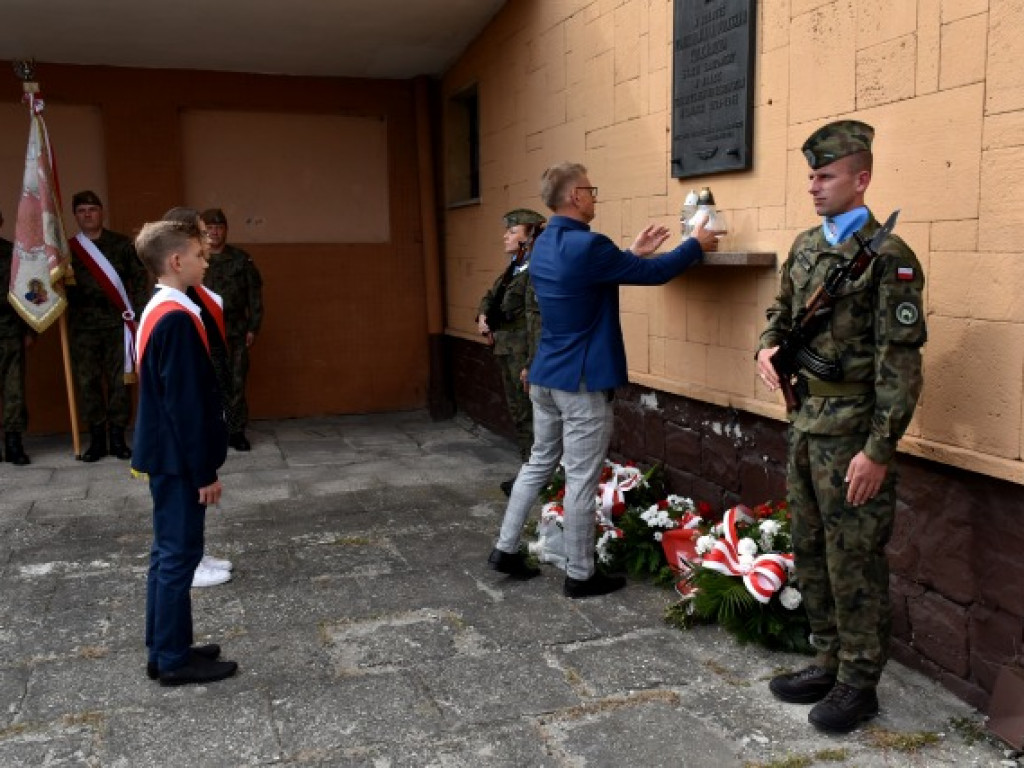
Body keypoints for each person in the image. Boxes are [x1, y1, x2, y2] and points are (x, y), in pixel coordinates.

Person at [755, 120, 926, 734]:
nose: (814, 186)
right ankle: (826, 659)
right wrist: (766, 347)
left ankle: (860, 683)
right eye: (810, 175)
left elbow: (900, 364)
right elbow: (779, 312)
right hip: (805, 424)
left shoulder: (890, 260)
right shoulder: (806, 246)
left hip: (854, 434)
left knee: (855, 558)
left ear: (862, 178)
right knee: (811, 549)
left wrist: (879, 450)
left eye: (825, 175)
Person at [487, 162, 720, 598]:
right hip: (581, 380)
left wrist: (630, 252)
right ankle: (580, 574)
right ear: (575, 196)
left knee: (538, 462)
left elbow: (593, 277)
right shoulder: (590, 245)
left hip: (545, 375)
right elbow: (654, 274)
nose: (595, 197)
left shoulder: (542, 244)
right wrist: (695, 243)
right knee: (580, 477)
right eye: (590, 190)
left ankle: (505, 548)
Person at [133, 219, 237, 686]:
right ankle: (173, 660)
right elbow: (186, 405)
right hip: (179, 461)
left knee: (166, 555)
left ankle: (164, 646)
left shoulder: (160, 306)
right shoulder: (176, 317)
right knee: (179, 556)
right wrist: (204, 472)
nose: (206, 259)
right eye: (198, 253)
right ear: (177, 261)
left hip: (164, 455)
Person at [162, 207, 235, 589]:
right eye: (201, 236)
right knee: (191, 483)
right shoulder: (178, 295)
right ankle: (190, 558)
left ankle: (196, 551)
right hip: (192, 400)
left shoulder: (194, 287)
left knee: (198, 484)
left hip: (209, 390)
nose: (208, 242)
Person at [67, 190, 150, 462]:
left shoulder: (122, 244)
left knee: (119, 382)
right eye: (81, 211)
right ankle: (97, 440)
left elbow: (138, 279)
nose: (88, 214)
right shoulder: (68, 249)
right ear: (75, 216)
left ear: (101, 212)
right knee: (87, 382)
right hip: (82, 326)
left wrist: (137, 313)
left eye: (92, 209)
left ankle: (117, 438)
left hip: (117, 324)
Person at [476, 209, 545, 496]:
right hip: (507, 352)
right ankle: (530, 472)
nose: (506, 236)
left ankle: (535, 479)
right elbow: (491, 297)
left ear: (529, 238)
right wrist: (482, 316)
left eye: (513, 231)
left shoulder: (534, 270)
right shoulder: (514, 269)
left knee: (531, 416)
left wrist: (532, 363)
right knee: (520, 414)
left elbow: (535, 320)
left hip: (522, 354)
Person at [199, 209, 263, 452]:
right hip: (204, 332)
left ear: (226, 230)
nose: (215, 232)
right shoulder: (196, 258)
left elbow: (254, 297)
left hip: (235, 332)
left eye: (219, 227)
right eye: (209, 228)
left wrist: (253, 328)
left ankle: (236, 432)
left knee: (236, 382)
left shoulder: (241, 260)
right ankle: (213, 430)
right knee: (209, 383)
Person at [0, 208, 33, 464]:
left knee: (14, 391)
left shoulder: (13, 254)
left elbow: (29, 295)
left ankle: (14, 443)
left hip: (10, 330)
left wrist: (29, 330)